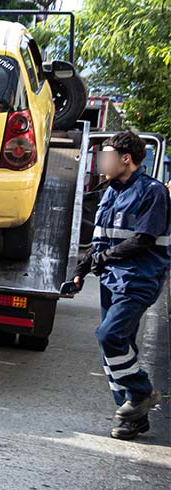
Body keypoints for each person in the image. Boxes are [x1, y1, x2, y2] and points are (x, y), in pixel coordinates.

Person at [61, 131, 170, 440]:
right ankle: (132, 416)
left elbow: (144, 239)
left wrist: (103, 258)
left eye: (107, 155)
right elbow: (100, 240)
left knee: (109, 336)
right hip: (113, 279)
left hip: (139, 278)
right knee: (120, 349)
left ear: (126, 159)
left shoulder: (152, 192)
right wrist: (82, 270)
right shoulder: (110, 191)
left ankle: (141, 393)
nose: (101, 161)